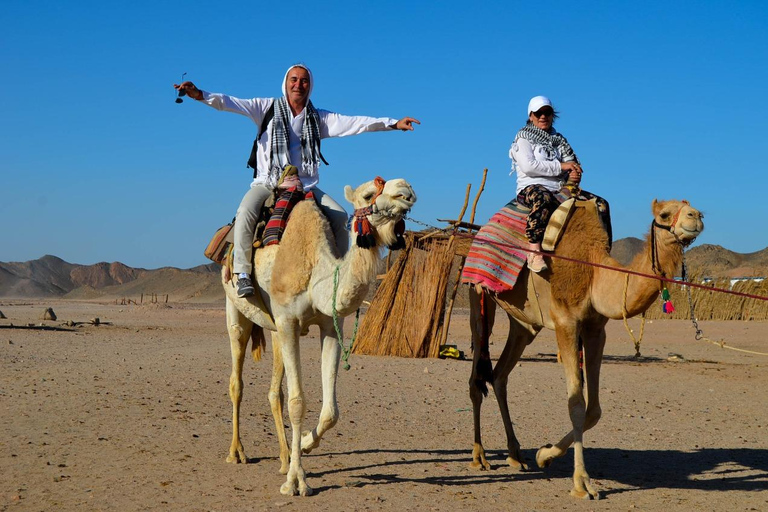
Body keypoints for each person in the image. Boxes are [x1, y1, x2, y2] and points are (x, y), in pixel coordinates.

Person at [175, 64, 419, 297]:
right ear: (286, 83)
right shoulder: (265, 108)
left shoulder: (319, 118)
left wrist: (393, 124)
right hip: (268, 183)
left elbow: (356, 123)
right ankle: (243, 273)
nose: (298, 84)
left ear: (309, 86)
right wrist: (199, 94)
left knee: (340, 216)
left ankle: (339, 274)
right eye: (294, 79)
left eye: (304, 80)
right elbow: (230, 103)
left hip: (306, 186)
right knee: (246, 211)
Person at [509, 95, 611, 273]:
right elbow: (529, 166)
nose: (543, 116)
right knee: (543, 199)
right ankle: (534, 251)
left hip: (560, 187)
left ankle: (604, 254)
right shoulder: (523, 138)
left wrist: (574, 173)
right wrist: (562, 166)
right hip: (531, 187)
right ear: (530, 116)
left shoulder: (559, 141)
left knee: (601, 204)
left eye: (547, 112)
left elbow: (572, 162)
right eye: (538, 113)